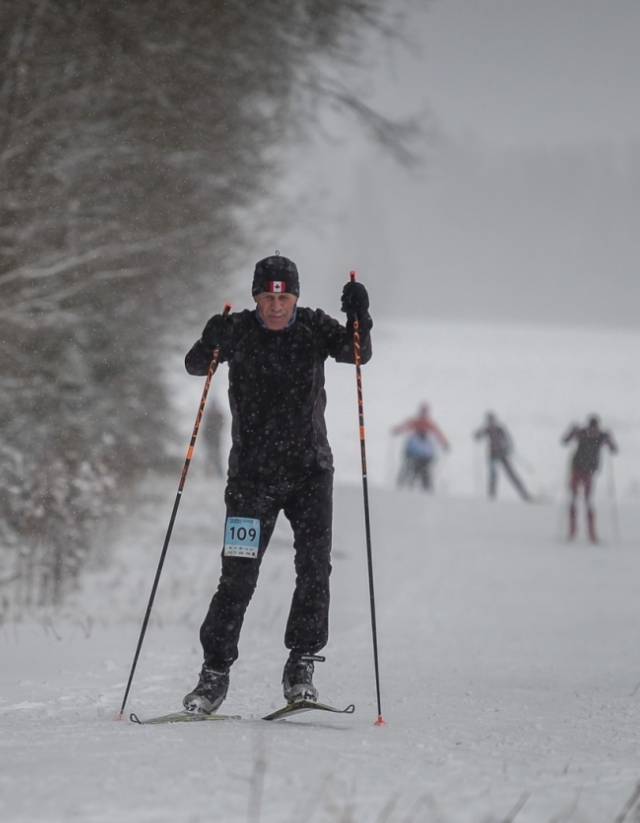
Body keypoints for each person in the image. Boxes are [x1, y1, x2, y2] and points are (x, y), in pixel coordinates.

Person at [181, 255, 372, 715]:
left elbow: (357, 351)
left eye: (284, 297)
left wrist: (360, 315)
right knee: (237, 578)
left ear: (296, 298)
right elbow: (195, 366)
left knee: (313, 570)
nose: (276, 306)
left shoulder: (312, 327)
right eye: (267, 297)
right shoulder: (240, 330)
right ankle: (214, 674)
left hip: (310, 474)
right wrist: (210, 339)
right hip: (252, 480)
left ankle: (301, 665)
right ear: (255, 297)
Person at [561, 414, 618, 542]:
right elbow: (564, 442)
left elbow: (614, 450)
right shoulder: (581, 433)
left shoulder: (602, 436)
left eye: (594, 429)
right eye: (590, 429)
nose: (592, 432)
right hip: (576, 469)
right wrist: (571, 431)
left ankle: (591, 532)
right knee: (573, 499)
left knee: (588, 502)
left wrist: (610, 439)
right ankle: (572, 530)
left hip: (589, 472)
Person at [474, 411, 531, 502]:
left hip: (502, 455)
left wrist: (508, 448)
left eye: (491, 420)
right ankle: (491, 496)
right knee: (493, 476)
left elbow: (508, 440)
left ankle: (524, 494)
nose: (491, 423)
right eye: (489, 421)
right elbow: (477, 436)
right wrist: (479, 432)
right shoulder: (487, 430)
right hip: (492, 456)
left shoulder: (499, 429)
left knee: (511, 475)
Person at [392, 402, 449, 492]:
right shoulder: (416, 422)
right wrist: (397, 431)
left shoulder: (427, 424)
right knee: (410, 467)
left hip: (422, 454)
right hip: (414, 451)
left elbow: (438, 434)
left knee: (423, 471)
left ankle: (424, 488)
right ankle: (402, 485)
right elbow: (404, 427)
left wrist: (445, 444)